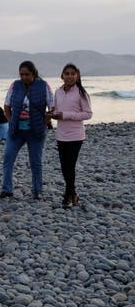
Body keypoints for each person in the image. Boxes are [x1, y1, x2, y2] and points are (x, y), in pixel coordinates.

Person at [0, 61, 54, 200]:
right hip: (16, 131)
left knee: (35, 161)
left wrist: (45, 123)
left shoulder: (43, 86)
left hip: (36, 131)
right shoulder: (14, 86)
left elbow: (52, 108)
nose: (24, 77)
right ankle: (7, 189)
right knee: (8, 158)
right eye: (21, 74)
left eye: (27, 74)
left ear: (33, 73)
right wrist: (11, 122)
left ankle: (37, 190)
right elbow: (6, 106)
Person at [51, 63, 92, 208]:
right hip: (61, 134)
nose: (70, 76)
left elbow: (88, 114)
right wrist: (53, 114)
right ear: (62, 76)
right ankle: (73, 193)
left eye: (73, 74)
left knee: (70, 166)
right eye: (67, 73)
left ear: (77, 76)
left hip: (76, 135)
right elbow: (56, 109)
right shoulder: (58, 91)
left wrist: (66, 115)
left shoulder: (81, 93)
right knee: (64, 166)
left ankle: (68, 196)